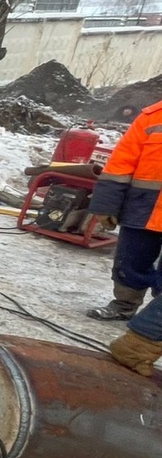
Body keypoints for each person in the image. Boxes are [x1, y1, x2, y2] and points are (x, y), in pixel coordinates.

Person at [85, 101, 162, 321]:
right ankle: (124, 305)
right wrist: (106, 205)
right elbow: (121, 164)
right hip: (143, 208)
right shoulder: (151, 117)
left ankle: (156, 319)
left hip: (142, 206)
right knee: (130, 261)